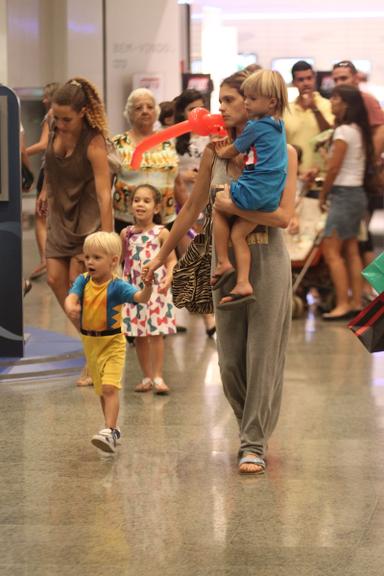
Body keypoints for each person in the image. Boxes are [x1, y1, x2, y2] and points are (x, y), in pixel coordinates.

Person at [144, 69, 297, 475]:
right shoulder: (215, 152)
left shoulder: (285, 150)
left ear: (253, 103)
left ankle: (253, 442)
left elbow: (282, 217)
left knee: (263, 357)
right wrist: (159, 257)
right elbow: (190, 211)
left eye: (230, 100)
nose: (225, 108)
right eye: (225, 100)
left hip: (269, 262)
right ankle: (253, 427)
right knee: (229, 363)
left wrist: (231, 208)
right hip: (222, 264)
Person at [37, 77, 113, 385]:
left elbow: (104, 193)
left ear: (82, 112)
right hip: (60, 213)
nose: (61, 124)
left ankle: (93, 357)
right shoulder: (55, 129)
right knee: (55, 280)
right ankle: (93, 342)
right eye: (57, 118)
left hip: (87, 218)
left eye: (67, 118)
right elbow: (51, 166)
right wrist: (44, 190)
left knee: (77, 286)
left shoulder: (94, 142)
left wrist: (106, 241)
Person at [64, 231, 152, 453]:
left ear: (113, 261)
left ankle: (110, 430)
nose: (90, 262)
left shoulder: (118, 286)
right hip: (90, 344)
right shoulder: (83, 281)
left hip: (112, 343)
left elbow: (141, 298)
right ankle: (110, 428)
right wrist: (70, 305)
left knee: (110, 387)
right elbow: (71, 296)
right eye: (87, 257)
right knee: (103, 390)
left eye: (96, 257)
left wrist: (148, 285)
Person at [212, 69, 289, 308]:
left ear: (272, 102)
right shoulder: (279, 126)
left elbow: (232, 150)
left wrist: (220, 151)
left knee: (218, 204)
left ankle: (223, 260)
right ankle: (243, 282)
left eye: (252, 99)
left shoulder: (255, 127)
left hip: (253, 191)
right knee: (239, 235)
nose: (246, 102)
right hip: (269, 197)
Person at [319, 85, 374, 320]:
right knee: (351, 249)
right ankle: (355, 300)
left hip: (343, 194)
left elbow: (334, 168)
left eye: (335, 98)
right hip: (357, 195)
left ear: (346, 104)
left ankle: (342, 303)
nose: (331, 101)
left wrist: (323, 194)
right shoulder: (359, 130)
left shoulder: (342, 132)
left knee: (331, 250)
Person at [120, 184, 177, 394]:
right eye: (136, 200)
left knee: (156, 333)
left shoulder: (161, 233)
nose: (140, 204)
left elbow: (172, 261)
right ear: (130, 205)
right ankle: (146, 377)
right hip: (133, 290)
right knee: (139, 334)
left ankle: (158, 376)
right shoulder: (125, 233)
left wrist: (168, 278)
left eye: (146, 200)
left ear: (156, 208)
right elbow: (123, 262)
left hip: (156, 290)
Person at [112, 88, 188, 235]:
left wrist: (193, 216)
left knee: (168, 258)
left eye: (150, 107)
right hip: (126, 223)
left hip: (165, 222)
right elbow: (105, 186)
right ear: (129, 113)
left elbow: (178, 185)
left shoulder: (168, 142)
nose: (145, 111)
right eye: (138, 108)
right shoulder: (118, 143)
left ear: (156, 112)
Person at [173, 88, 216, 336]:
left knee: (202, 261)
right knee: (190, 261)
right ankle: (204, 317)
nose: (197, 113)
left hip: (210, 204)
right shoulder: (174, 139)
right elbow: (167, 172)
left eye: (201, 108)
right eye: (191, 109)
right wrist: (183, 176)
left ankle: (207, 315)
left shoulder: (213, 136)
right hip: (181, 207)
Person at [26, 82, 60, 280]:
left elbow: (43, 144)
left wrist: (20, 152)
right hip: (63, 174)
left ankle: (44, 260)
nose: (43, 100)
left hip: (49, 171)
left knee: (40, 216)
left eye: (47, 96)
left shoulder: (51, 116)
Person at [284, 60, 334, 196]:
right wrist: (297, 172)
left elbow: (330, 135)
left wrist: (314, 109)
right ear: (294, 83)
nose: (306, 83)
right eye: (300, 79)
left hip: (321, 180)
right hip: (294, 179)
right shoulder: (286, 110)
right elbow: (283, 146)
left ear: (315, 79)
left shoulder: (328, 105)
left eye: (309, 78)